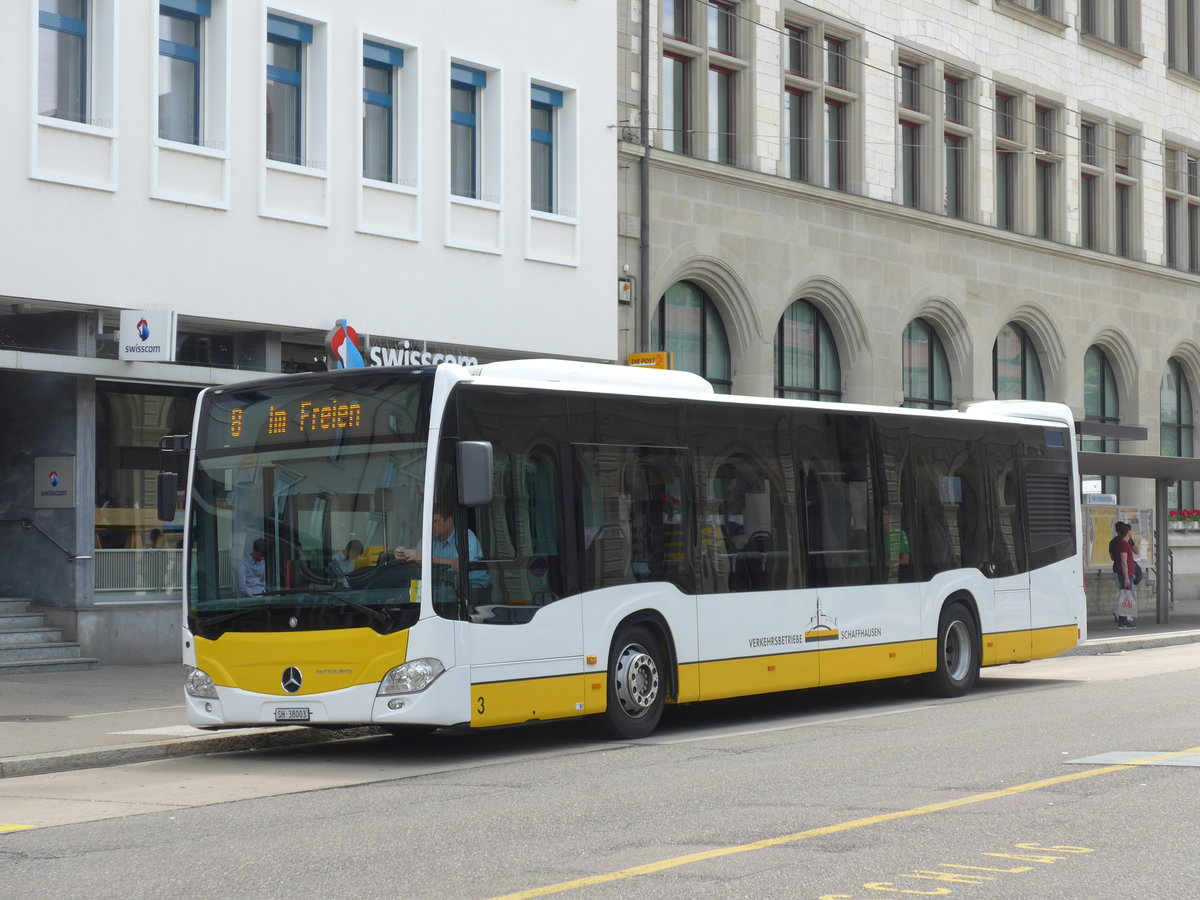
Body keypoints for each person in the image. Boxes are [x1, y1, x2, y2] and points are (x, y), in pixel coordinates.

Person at [394, 508, 491, 603]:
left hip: (473, 588)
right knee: (409, 599)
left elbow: (463, 565)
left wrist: (428, 558)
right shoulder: (428, 538)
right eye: (429, 522)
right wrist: (405, 556)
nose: (431, 526)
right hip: (443, 585)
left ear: (449, 521)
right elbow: (419, 561)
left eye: (435, 521)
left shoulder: (465, 536)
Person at [1110, 521, 1137, 630]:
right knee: (1125, 598)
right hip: (1124, 575)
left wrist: (1131, 574)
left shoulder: (1125, 543)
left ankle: (1125, 620)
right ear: (1128, 532)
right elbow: (1123, 561)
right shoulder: (1123, 544)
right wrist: (1126, 577)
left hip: (1128, 574)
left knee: (1127, 597)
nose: (1132, 532)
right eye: (1131, 530)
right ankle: (1123, 621)